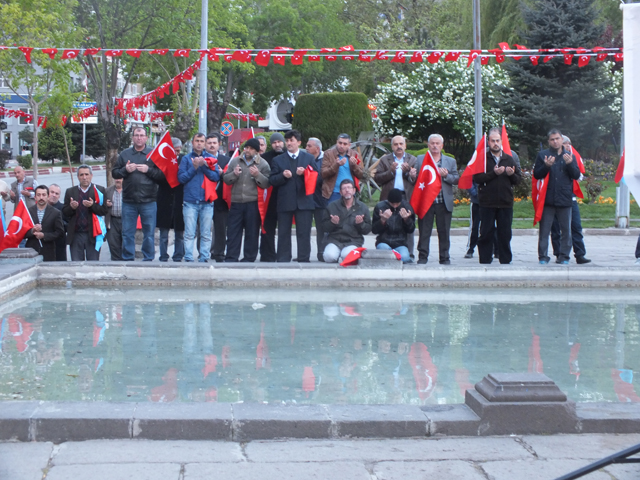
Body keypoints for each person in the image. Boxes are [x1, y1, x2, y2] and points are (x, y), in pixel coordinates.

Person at [112, 127, 165, 261]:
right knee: (127, 233)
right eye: (136, 135)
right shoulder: (125, 154)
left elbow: (162, 175)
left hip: (149, 200)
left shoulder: (153, 154)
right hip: (129, 201)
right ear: (133, 138)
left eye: (142, 135)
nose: (139, 138)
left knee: (149, 233)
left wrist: (149, 170)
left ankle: (148, 259)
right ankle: (128, 258)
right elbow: (115, 173)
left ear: (146, 138)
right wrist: (125, 170)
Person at [472, 127, 521, 264]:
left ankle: (505, 259)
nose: (495, 143)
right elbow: (477, 178)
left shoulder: (509, 159)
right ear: (488, 142)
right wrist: (494, 173)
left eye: (497, 140)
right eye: (492, 141)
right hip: (487, 202)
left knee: (505, 233)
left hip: (505, 202)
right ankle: (485, 259)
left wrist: (511, 175)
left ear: (501, 141)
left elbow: (518, 180)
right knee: (486, 232)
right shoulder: (482, 158)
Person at [269, 130, 318, 263]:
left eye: (292, 140)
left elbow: (317, 178)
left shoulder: (308, 158)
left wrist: (305, 173)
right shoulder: (278, 160)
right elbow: (272, 180)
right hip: (285, 201)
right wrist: (282, 176)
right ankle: (283, 258)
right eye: (287, 141)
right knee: (283, 232)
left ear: (299, 142)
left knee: (304, 232)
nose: (289, 143)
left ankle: (303, 258)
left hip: (304, 201)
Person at [533, 129, 581, 264]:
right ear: (549, 141)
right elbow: (537, 174)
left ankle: (564, 256)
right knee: (544, 231)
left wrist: (570, 164)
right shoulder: (543, 155)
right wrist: (546, 166)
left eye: (557, 139)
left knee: (566, 230)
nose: (555, 141)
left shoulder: (569, 156)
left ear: (562, 140)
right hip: (548, 199)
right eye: (552, 139)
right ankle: (543, 256)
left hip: (564, 199)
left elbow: (576, 175)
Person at [223, 138, 271, 262]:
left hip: (253, 203)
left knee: (252, 232)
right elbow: (226, 179)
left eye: (251, 148)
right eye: (246, 147)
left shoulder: (263, 164)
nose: (247, 150)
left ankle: (249, 257)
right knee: (233, 231)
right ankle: (231, 257)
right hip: (236, 202)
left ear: (256, 151)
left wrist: (257, 175)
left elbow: (267, 183)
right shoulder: (235, 161)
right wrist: (234, 174)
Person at [416, 134, 459, 264]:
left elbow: (456, 179)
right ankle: (423, 257)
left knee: (444, 231)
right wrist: (412, 175)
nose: (435, 146)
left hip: (443, 201)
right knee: (424, 231)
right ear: (428, 145)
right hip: (426, 202)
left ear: (442, 146)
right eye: (432, 143)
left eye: (437, 143)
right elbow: (416, 179)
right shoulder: (420, 159)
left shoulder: (450, 161)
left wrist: (446, 176)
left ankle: (445, 257)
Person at [178, 132, 220, 262]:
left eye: (202, 141)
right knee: (189, 232)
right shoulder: (186, 159)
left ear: (205, 143)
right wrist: (194, 168)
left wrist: (204, 167)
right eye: (197, 141)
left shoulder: (210, 158)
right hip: (190, 201)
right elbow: (181, 178)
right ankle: (188, 257)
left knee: (206, 233)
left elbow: (216, 177)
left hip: (207, 201)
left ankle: (204, 257)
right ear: (192, 142)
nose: (199, 143)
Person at [373, 135, 417, 257]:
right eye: (396, 144)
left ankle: (409, 253)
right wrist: (391, 172)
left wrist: (410, 174)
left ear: (405, 145)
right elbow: (377, 179)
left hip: (406, 196)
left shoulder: (412, 160)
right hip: (389, 197)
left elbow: (416, 180)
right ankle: (385, 250)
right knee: (387, 221)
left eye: (401, 144)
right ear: (392, 146)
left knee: (407, 221)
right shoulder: (384, 160)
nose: (399, 146)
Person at [550, 135, 591, 264]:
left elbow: (578, 176)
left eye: (569, 143)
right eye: (565, 143)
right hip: (554, 197)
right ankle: (559, 254)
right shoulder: (550, 157)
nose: (568, 145)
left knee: (576, 226)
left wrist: (570, 163)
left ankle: (580, 254)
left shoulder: (571, 158)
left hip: (569, 196)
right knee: (556, 229)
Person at [62, 165, 109, 261]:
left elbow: (104, 211)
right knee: (76, 263)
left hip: (93, 234)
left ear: (91, 175)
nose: (84, 177)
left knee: (93, 263)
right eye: (81, 175)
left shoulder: (99, 190)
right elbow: (65, 213)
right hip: (75, 234)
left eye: (87, 174)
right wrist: (71, 208)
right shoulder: (70, 191)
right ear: (78, 177)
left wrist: (92, 205)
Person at [322, 179, 371, 263]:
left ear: (354, 190)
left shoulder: (362, 207)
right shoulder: (332, 206)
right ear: (340, 192)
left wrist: (361, 224)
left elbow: (367, 229)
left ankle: (345, 255)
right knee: (329, 257)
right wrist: (332, 223)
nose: (347, 190)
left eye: (349, 188)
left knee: (347, 256)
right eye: (344, 188)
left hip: (353, 241)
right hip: (335, 240)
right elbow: (323, 227)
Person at [156, 137, 185, 263]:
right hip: (164, 199)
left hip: (180, 199)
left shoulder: (184, 159)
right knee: (163, 233)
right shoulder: (162, 160)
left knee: (179, 233)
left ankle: (178, 255)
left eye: (179, 150)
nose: (177, 153)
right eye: (175, 150)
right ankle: (163, 256)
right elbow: (156, 177)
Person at [204, 133, 231, 262]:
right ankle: (203, 253)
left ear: (219, 144)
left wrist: (222, 173)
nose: (212, 145)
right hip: (204, 198)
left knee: (221, 228)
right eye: (209, 143)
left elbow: (231, 177)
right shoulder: (200, 159)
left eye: (214, 143)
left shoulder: (226, 160)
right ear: (205, 144)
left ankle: (219, 253)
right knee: (203, 229)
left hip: (220, 199)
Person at [259, 132, 285, 262]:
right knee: (267, 228)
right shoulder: (265, 158)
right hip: (269, 198)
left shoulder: (288, 156)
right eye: (274, 142)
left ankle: (283, 255)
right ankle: (267, 255)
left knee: (284, 229)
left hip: (285, 197)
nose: (277, 144)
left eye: (279, 142)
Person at [372, 188, 415, 263]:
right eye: (392, 204)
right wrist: (382, 220)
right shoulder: (380, 207)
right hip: (384, 242)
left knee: (405, 258)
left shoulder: (407, 207)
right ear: (388, 201)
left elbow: (411, 230)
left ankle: (396, 257)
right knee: (384, 252)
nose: (395, 206)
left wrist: (406, 220)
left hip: (400, 243)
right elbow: (374, 230)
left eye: (397, 204)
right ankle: (394, 257)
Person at [24, 185, 64, 261]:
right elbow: (22, 233)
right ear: (35, 197)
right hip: (31, 250)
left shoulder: (56, 213)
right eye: (38, 195)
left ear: (48, 197)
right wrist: (32, 231)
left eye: (44, 195)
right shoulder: (28, 212)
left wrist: (44, 235)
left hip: (48, 251)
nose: (41, 197)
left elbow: (60, 233)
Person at [321, 133, 364, 204]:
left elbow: (361, 175)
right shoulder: (328, 154)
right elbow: (323, 174)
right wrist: (336, 165)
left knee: (350, 211)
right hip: (333, 193)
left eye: (345, 144)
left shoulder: (354, 154)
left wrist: (354, 166)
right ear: (336, 142)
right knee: (333, 211)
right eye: (340, 143)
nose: (341, 146)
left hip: (349, 192)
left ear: (349, 145)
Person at [306, 137, 327, 261]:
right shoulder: (305, 158)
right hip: (306, 199)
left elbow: (321, 178)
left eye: (309, 146)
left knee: (321, 228)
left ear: (317, 149)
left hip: (321, 198)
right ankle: (304, 254)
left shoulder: (325, 160)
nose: (306, 148)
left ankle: (322, 253)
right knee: (304, 229)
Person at [105, 178, 124, 261]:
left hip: (126, 220)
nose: (118, 180)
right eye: (116, 178)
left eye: (120, 178)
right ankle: (116, 264)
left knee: (126, 244)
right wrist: (105, 204)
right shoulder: (107, 191)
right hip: (112, 220)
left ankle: (127, 264)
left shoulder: (128, 190)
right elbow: (100, 205)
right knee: (113, 245)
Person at [48, 183, 67, 261]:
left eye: (56, 193)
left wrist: (59, 223)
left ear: (59, 196)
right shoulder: (40, 207)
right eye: (52, 192)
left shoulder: (64, 208)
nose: (54, 195)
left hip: (59, 244)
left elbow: (68, 225)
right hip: (44, 243)